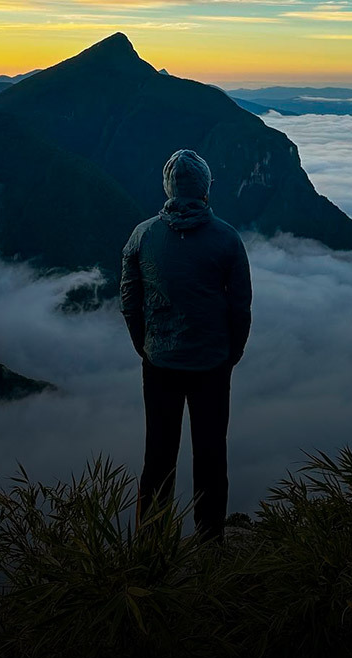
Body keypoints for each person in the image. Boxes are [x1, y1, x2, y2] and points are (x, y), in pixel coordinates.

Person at [120, 149, 252, 542]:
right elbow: (240, 308)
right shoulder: (228, 239)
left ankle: (150, 544)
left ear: (168, 187)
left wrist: (145, 346)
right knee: (211, 455)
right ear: (206, 189)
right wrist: (232, 353)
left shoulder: (143, 236)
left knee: (158, 456)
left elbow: (129, 301)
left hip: (159, 363)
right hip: (212, 364)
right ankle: (209, 543)